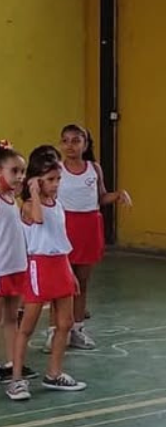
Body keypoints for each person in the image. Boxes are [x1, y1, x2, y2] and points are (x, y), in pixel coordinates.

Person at [8, 148, 87, 400]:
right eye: (50, 179)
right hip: (39, 267)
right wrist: (31, 191)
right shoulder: (30, 205)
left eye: (58, 179)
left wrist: (69, 270)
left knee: (64, 323)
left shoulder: (58, 205)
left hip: (60, 264)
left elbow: (59, 237)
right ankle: (17, 380)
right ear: (36, 179)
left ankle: (54, 373)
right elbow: (39, 221)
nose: (56, 184)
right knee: (27, 327)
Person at [54, 124, 131, 349]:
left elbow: (100, 197)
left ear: (85, 145)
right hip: (64, 227)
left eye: (76, 141)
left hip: (89, 228)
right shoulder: (56, 169)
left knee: (82, 283)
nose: (70, 146)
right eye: (65, 140)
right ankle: (55, 331)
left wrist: (118, 195)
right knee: (61, 285)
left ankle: (77, 330)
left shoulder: (94, 169)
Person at [0, 146, 37, 385]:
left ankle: (14, 363)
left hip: (15, 267)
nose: (20, 176)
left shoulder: (11, 198)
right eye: (14, 171)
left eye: (22, 171)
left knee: (12, 318)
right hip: (1, 268)